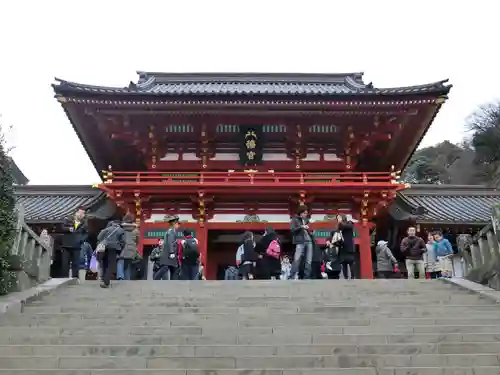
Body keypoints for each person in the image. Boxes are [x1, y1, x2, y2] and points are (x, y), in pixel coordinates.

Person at [96, 219, 126, 288]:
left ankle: (103, 279)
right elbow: (123, 242)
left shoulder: (106, 229)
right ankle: (106, 282)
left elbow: (99, 237)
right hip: (113, 249)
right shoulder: (121, 230)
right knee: (110, 265)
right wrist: (119, 249)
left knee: (104, 264)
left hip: (104, 248)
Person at [61, 207, 88, 278]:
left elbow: (86, 234)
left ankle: (75, 278)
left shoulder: (84, 223)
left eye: (83, 213)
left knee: (76, 263)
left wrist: (81, 240)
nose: (81, 215)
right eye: (80, 212)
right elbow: (62, 228)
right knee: (65, 263)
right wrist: (68, 229)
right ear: (76, 213)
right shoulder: (68, 219)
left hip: (77, 245)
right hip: (66, 244)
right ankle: (64, 278)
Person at [290, 205, 314, 279]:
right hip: (300, 241)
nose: (306, 214)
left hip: (309, 241)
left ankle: (306, 277)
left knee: (308, 260)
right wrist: (301, 227)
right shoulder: (295, 219)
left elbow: (308, 230)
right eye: (304, 213)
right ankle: (292, 276)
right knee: (297, 259)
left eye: (306, 213)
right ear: (301, 212)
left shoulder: (306, 220)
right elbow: (292, 230)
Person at [154, 215, 180, 280]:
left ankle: (172, 283)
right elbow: (170, 242)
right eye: (177, 224)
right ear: (174, 224)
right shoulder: (171, 232)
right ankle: (156, 278)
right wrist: (172, 252)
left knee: (173, 269)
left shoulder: (170, 231)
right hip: (169, 254)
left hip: (169, 254)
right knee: (166, 268)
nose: (178, 225)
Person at [117, 214, 140, 280]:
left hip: (122, 248)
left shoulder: (121, 229)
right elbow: (137, 241)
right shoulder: (136, 230)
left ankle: (120, 276)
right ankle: (127, 279)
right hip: (131, 250)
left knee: (120, 261)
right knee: (127, 265)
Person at [336, 214, 355, 279]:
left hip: (349, 246)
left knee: (351, 262)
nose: (338, 219)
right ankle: (345, 277)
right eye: (337, 218)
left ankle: (352, 277)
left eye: (339, 218)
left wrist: (340, 222)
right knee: (344, 264)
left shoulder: (349, 223)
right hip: (342, 246)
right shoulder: (339, 226)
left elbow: (348, 227)